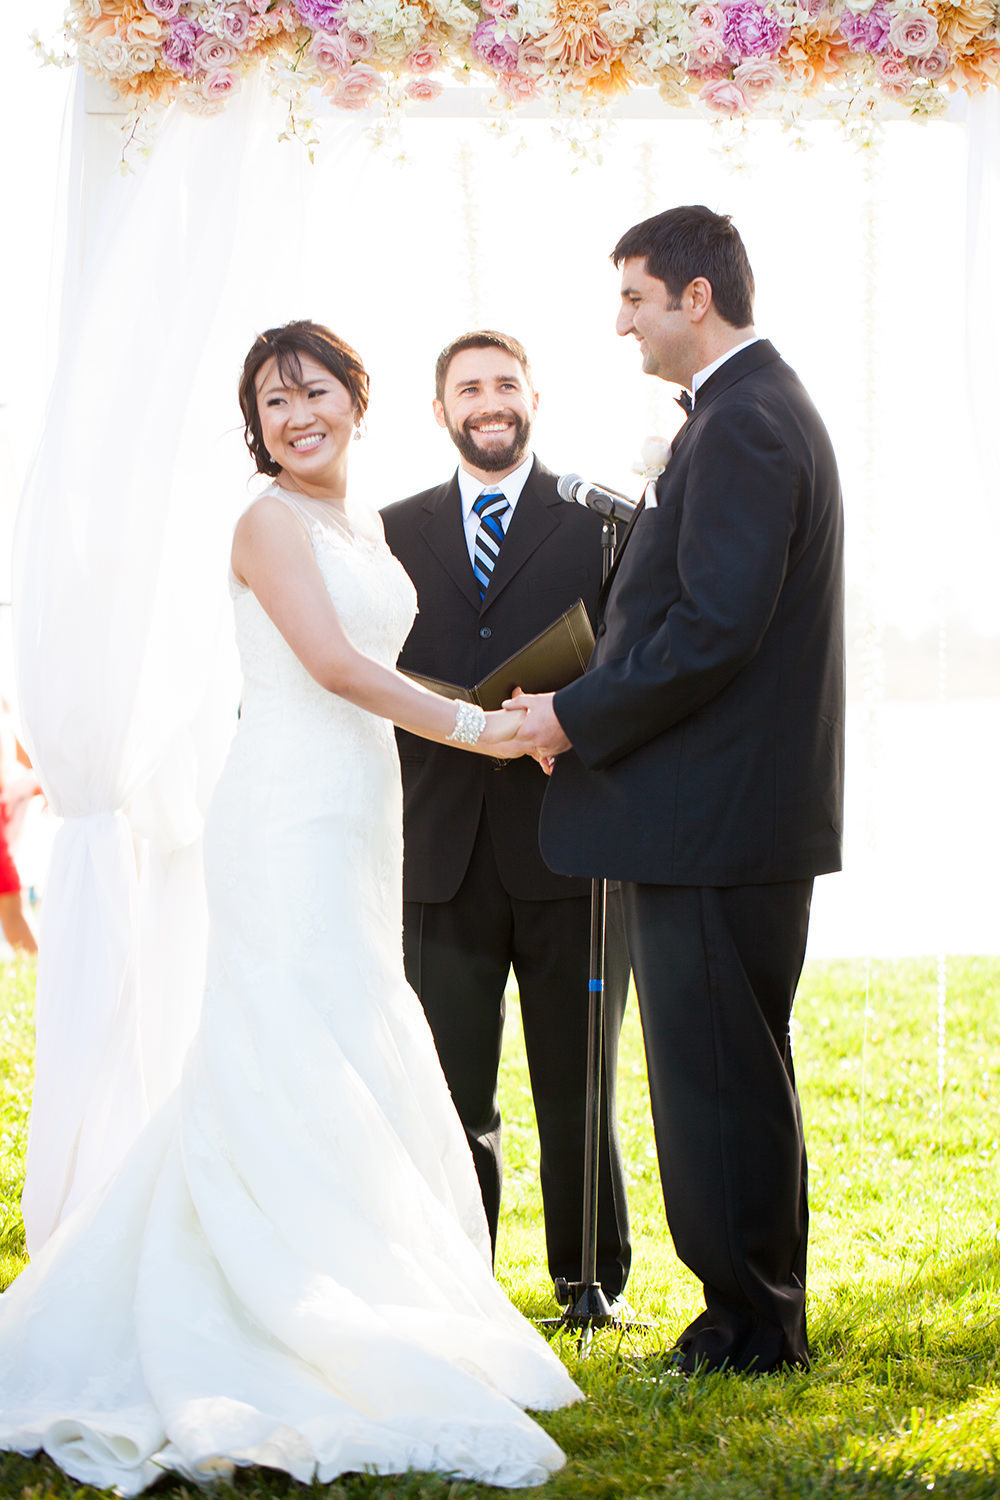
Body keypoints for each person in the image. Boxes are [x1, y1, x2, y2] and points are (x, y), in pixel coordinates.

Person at [0, 320, 580, 1493]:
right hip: (283, 815)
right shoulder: (264, 521)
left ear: (358, 401)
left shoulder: (354, 524)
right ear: (256, 426)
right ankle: (276, 1304)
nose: (296, 413)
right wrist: (486, 730)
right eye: (272, 402)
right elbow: (330, 665)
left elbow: (368, 670)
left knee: (347, 1039)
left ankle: (355, 1279)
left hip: (360, 811)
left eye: (314, 390)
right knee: (287, 1045)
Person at [510, 208, 845, 1373]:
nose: (623, 323)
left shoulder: (746, 422)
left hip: (715, 821)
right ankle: (759, 1309)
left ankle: (750, 1327)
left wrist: (571, 713)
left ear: (695, 297)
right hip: (727, 816)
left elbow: (712, 630)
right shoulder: (748, 412)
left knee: (714, 1082)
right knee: (734, 1073)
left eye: (636, 299)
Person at [381, 331, 631, 1307]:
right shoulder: (392, 531)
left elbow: (635, 666)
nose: (489, 402)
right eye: (467, 388)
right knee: (450, 1092)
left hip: (573, 845)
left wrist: (575, 723)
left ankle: (589, 1283)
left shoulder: (600, 526)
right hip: (437, 856)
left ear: (534, 399)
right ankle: (460, 1289)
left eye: (504, 385)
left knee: (578, 1086)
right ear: (439, 410)